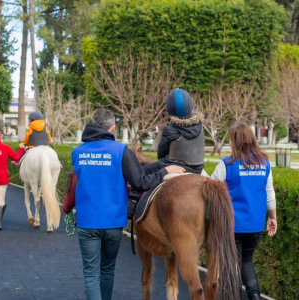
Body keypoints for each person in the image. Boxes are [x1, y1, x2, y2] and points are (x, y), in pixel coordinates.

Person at [67, 109, 185, 300]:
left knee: (90, 273)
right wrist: (164, 171)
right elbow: (140, 182)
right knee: (107, 270)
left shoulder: (77, 153)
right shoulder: (121, 151)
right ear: (112, 127)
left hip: (87, 222)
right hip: (113, 223)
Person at [211, 123, 277, 300]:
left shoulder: (227, 164)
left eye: (230, 139)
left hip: (231, 225)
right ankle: (254, 296)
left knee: (230, 266)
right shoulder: (264, 164)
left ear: (235, 141)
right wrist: (273, 218)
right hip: (255, 225)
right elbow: (269, 194)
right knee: (246, 261)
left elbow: (209, 190)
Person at [127, 88, 205, 219]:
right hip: (198, 167)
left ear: (170, 109)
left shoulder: (171, 128)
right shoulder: (200, 125)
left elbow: (161, 152)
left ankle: (132, 204)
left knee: (143, 170)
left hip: (174, 165)